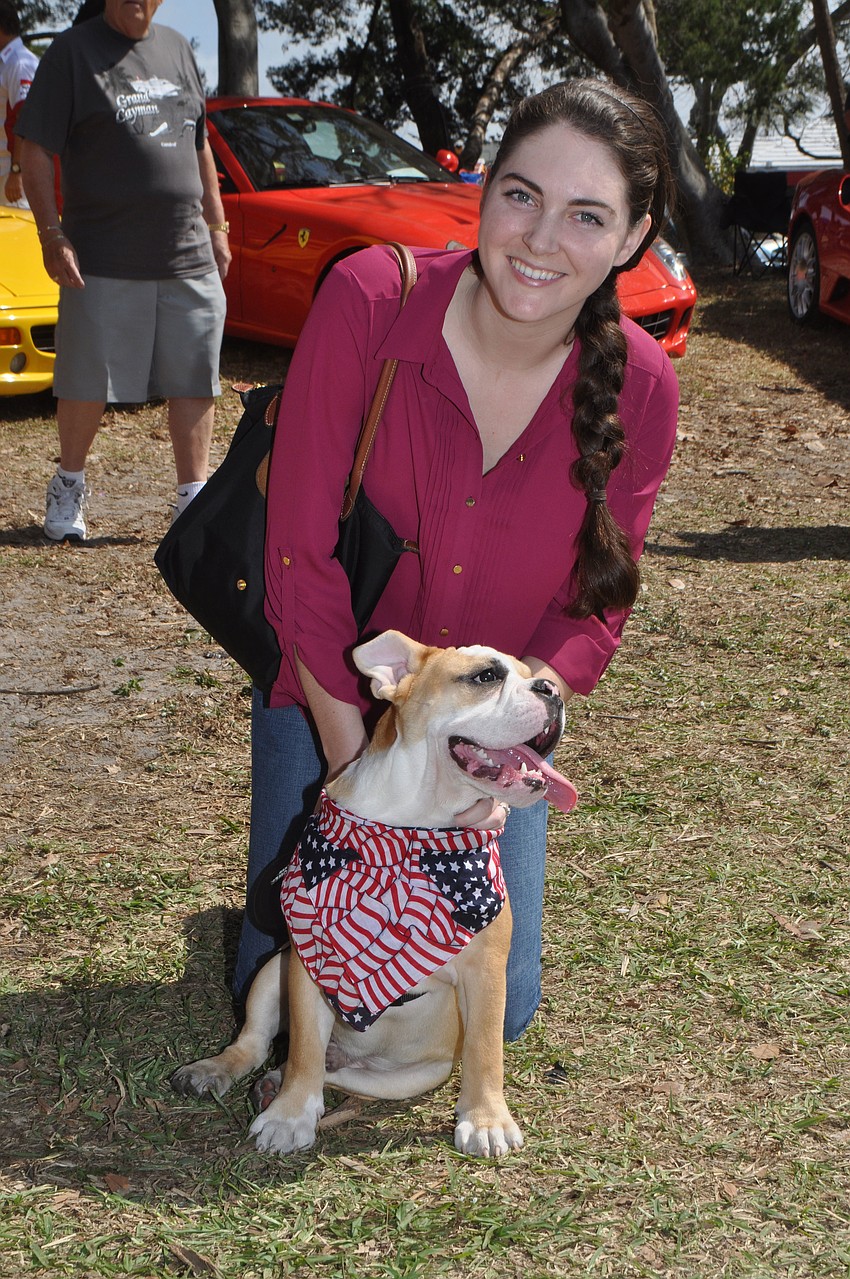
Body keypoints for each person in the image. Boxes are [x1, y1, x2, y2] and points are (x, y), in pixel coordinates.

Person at [237, 79, 680, 1041]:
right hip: (339, 697)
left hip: (487, 730)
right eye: (520, 194)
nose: (539, 239)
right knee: (283, 994)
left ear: (634, 238)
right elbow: (297, 552)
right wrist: (367, 776)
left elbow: (593, 609)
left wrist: (493, 765)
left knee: (501, 1013)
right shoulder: (368, 300)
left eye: (587, 216)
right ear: (481, 190)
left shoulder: (642, 386)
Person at [17, 0, 231, 543]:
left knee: (195, 370)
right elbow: (34, 147)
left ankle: (193, 499)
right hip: (102, 254)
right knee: (86, 378)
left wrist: (218, 225)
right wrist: (50, 234)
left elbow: (199, 142)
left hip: (186, 250)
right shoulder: (71, 52)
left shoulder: (178, 47)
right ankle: (69, 483)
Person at [0, 1, 37, 208]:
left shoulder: (20, 63)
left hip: (12, 178)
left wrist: (17, 171)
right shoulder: (6, 63)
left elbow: (27, 118)